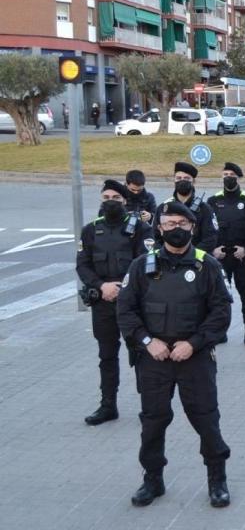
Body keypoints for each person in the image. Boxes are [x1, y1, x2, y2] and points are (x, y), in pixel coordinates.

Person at [117, 201, 233, 508]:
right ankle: (152, 480)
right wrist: (146, 341)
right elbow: (125, 311)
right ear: (159, 228)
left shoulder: (207, 265)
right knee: (153, 421)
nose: (176, 229)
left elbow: (221, 314)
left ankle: (217, 479)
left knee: (206, 419)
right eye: (169, 224)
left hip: (193, 358)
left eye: (182, 223)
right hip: (154, 359)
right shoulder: (141, 266)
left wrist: (193, 344)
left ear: (192, 228)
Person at [76, 180, 153, 426]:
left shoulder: (140, 228)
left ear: (124, 201)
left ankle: (149, 406)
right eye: (106, 196)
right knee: (106, 356)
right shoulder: (90, 230)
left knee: (141, 354)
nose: (110, 201)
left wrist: (123, 289)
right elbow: (83, 265)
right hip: (103, 303)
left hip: (132, 304)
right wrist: (102, 287)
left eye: (116, 198)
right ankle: (108, 406)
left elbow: (146, 264)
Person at [208, 162, 245, 347]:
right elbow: (206, 229)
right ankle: (220, 332)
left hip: (242, 257)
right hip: (220, 258)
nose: (228, 177)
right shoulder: (212, 201)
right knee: (219, 297)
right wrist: (213, 250)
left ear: (238, 177)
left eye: (231, 174)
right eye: (225, 174)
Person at [153, 162, 218, 252]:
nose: (182, 180)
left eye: (186, 178)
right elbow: (155, 237)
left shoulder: (204, 209)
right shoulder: (163, 208)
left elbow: (210, 239)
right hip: (167, 261)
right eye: (178, 178)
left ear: (194, 181)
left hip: (196, 261)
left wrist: (190, 256)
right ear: (174, 180)